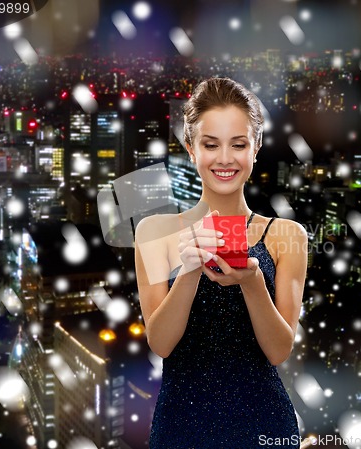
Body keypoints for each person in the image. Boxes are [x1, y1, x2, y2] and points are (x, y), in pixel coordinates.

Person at [135, 77, 307, 448]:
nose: (225, 159)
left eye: (239, 144)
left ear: (256, 148)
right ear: (191, 148)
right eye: (211, 145)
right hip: (180, 426)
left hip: (264, 425)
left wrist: (253, 282)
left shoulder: (287, 235)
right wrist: (190, 271)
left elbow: (278, 351)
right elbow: (161, 344)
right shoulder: (154, 231)